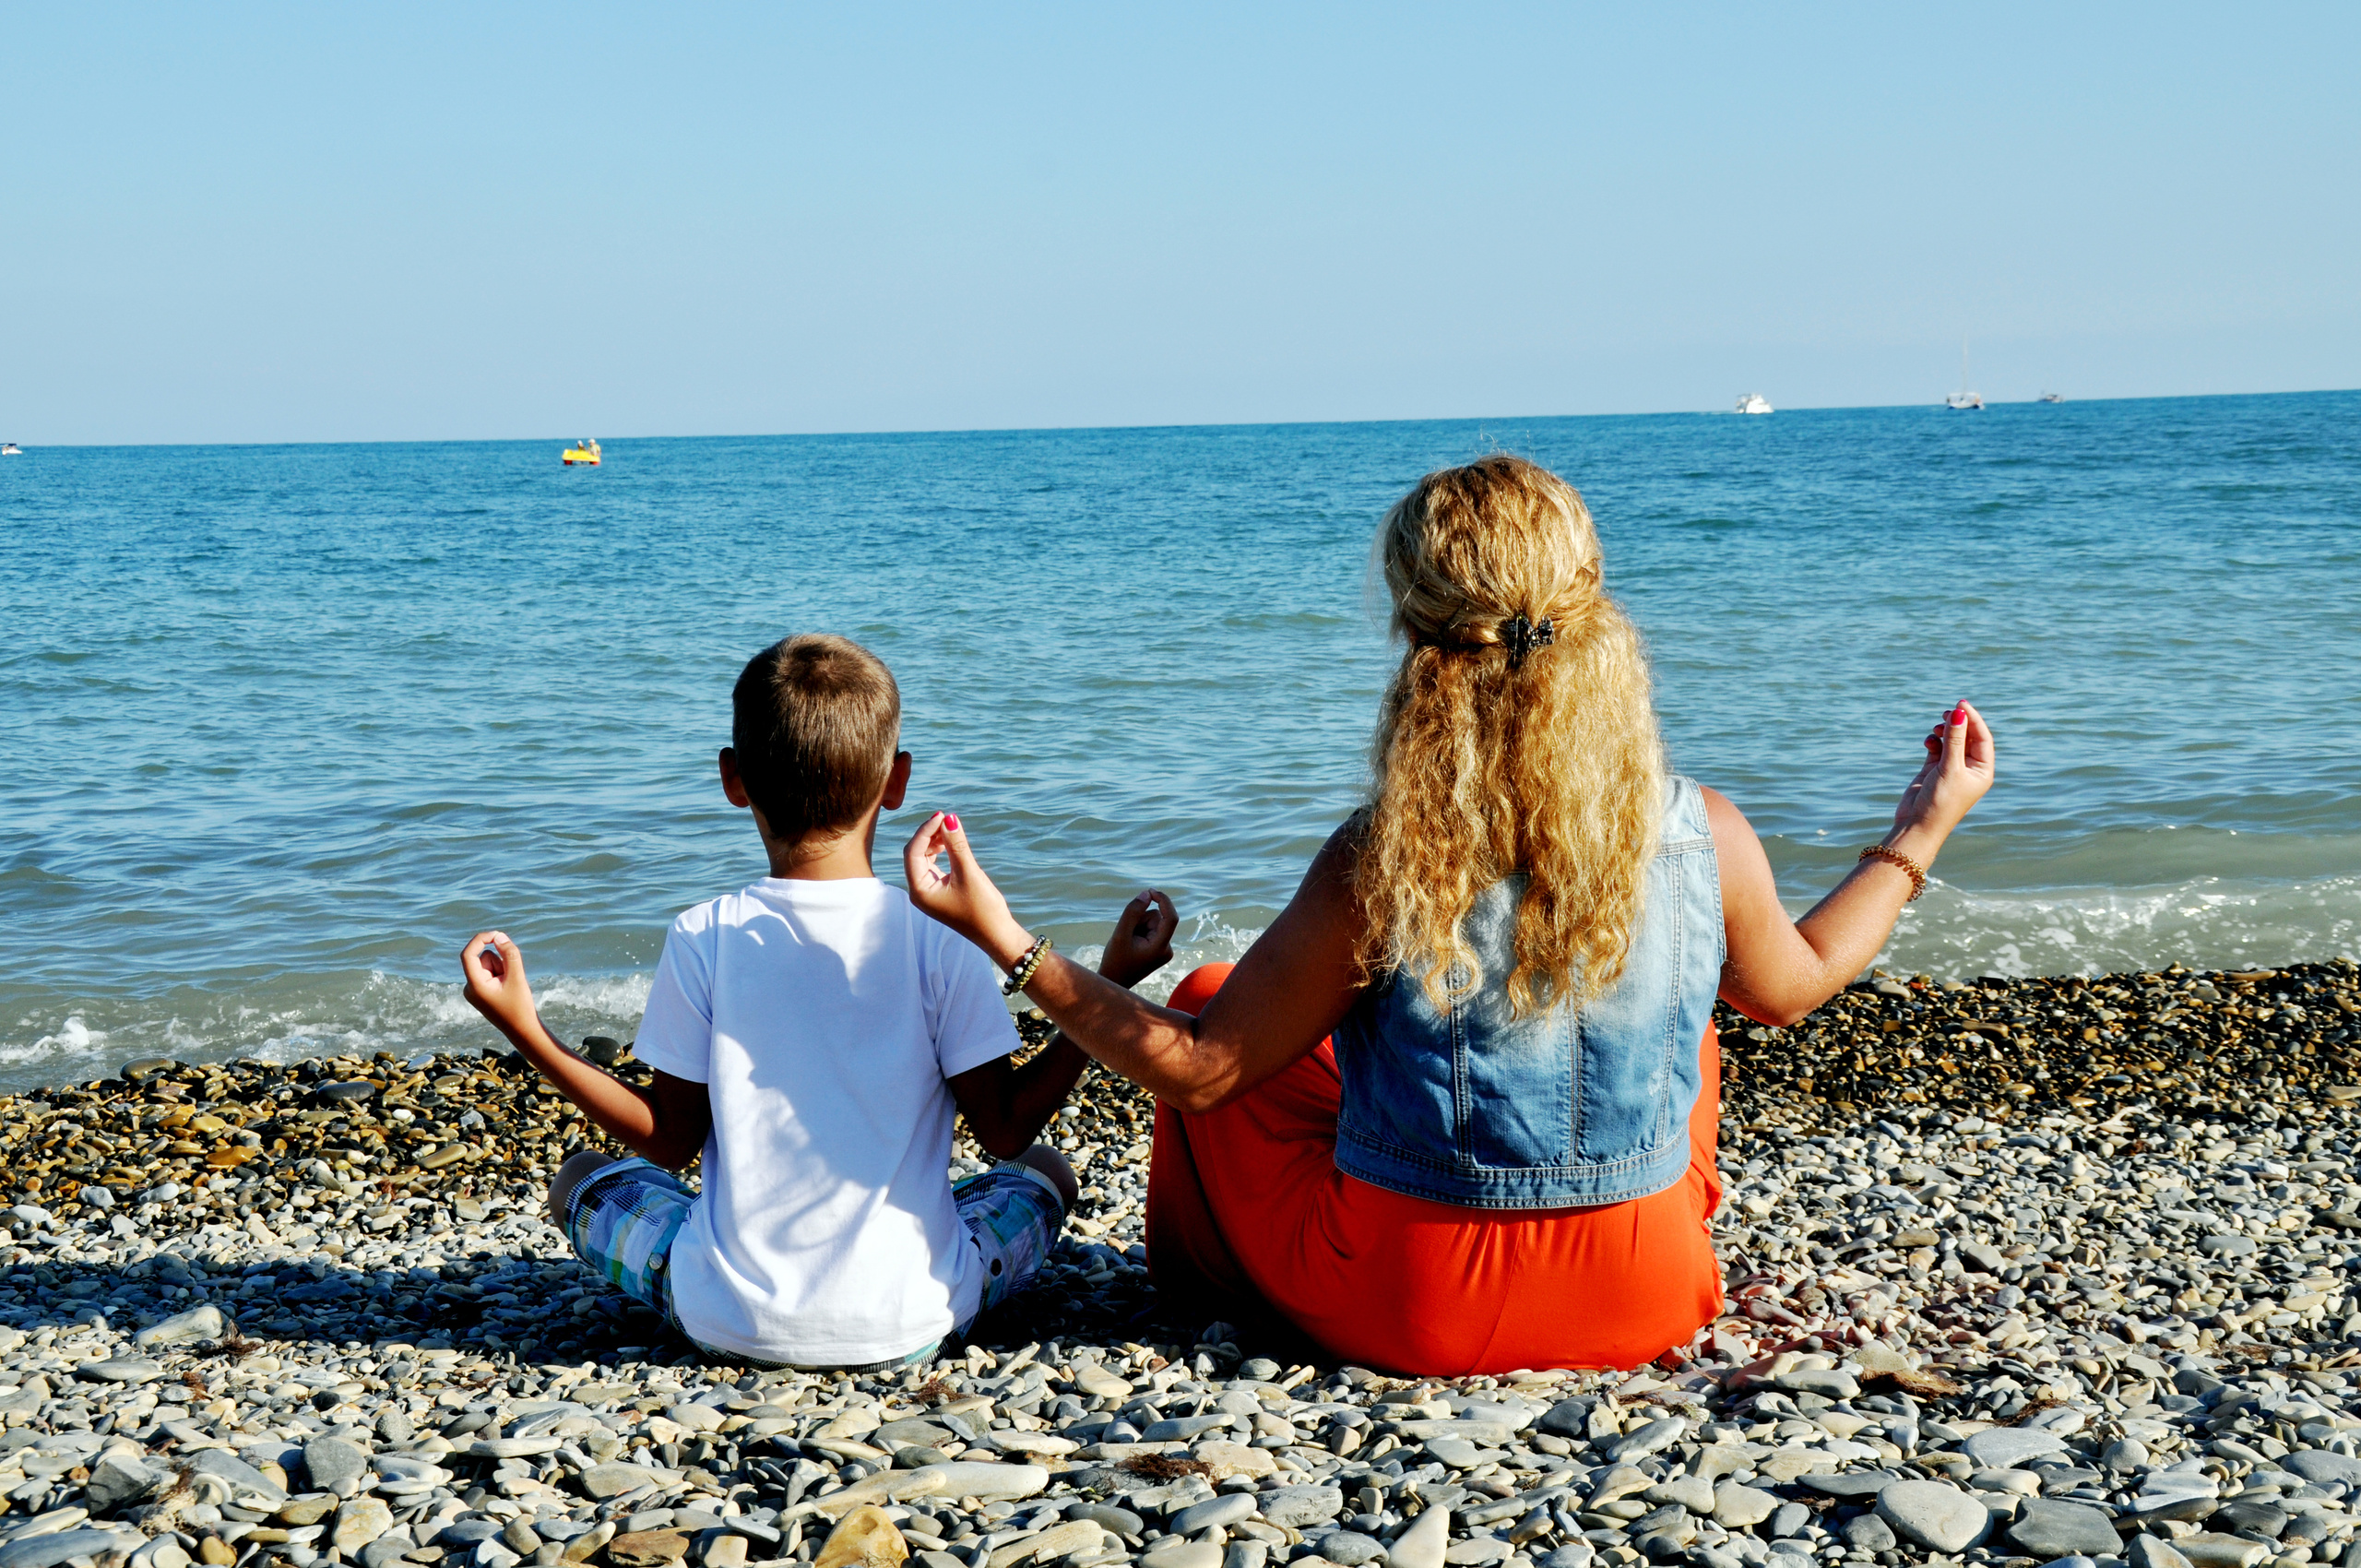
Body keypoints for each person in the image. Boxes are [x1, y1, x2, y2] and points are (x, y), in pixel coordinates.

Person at [899, 455, 1996, 1375]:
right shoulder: (1698, 828)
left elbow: (1198, 1072)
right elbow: (1792, 987)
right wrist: (1923, 826)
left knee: (1206, 999)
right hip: (1650, 1292)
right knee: (1692, 1028)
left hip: (1419, 1303)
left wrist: (1011, 940)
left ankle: (1206, 1284)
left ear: (1417, 637)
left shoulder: (1380, 856)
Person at [457, 633, 1177, 1370]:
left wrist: (527, 1029)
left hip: (728, 1318)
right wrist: (1110, 984)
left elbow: (668, 1143)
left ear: (733, 779)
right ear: (896, 782)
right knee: (1046, 1170)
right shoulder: (941, 937)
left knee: (580, 1175)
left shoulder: (704, 935)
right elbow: (1007, 1128)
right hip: (914, 1315)